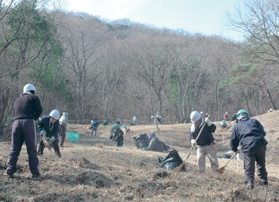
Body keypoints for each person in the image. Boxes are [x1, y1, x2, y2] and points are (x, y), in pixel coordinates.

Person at [5, 84, 43, 178]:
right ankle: (35, 172)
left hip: (16, 123)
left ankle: (9, 170)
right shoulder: (34, 97)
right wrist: (34, 118)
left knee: (14, 148)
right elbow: (39, 110)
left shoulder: (17, 100)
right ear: (33, 91)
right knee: (31, 148)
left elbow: (14, 113)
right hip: (28, 122)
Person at [230, 109, 268, 190]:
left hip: (248, 147)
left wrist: (234, 149)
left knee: (249, 168)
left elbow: (233, 141)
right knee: (261, 164)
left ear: (238, 118)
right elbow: (263, 133)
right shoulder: (254, 121)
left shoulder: (236, 126)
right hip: (260, 144)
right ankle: (264, 183)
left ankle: (250, 188)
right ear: (247, 115)